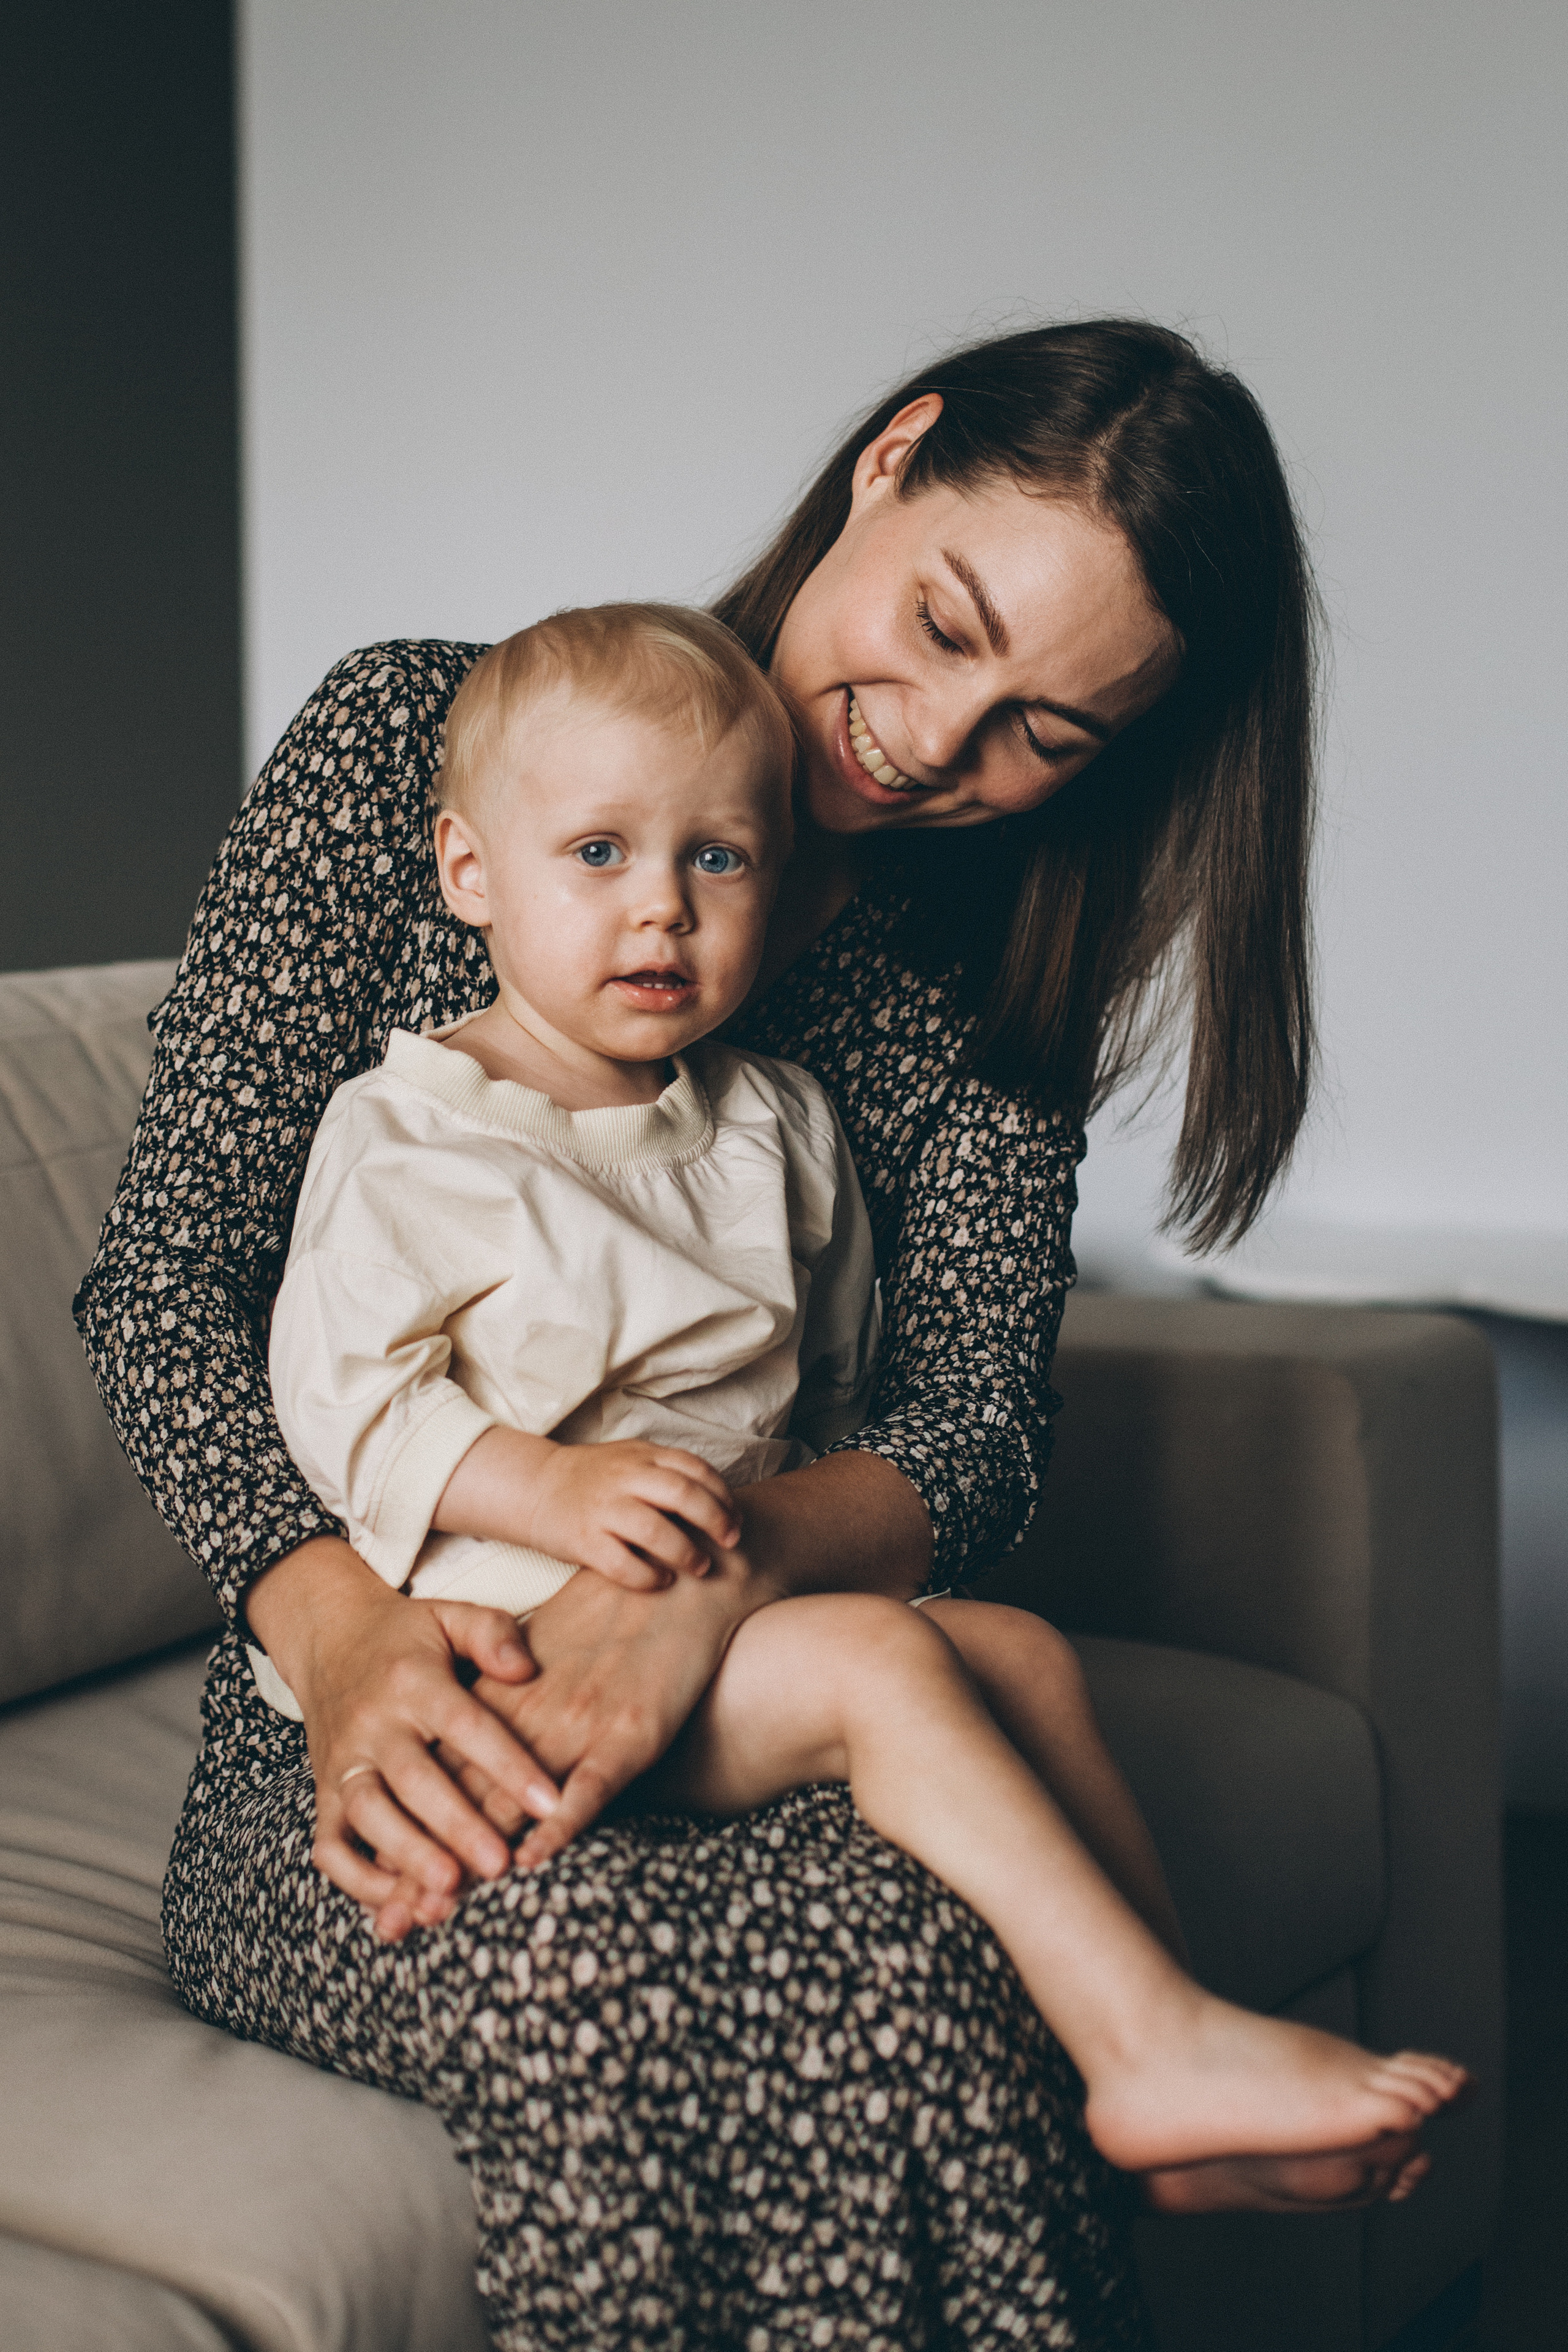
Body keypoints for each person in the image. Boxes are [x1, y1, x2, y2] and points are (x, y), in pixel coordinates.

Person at [78, 321, 1438, 2351]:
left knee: (919, 1958)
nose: (932, 741)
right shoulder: (423, 755)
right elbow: (172, 1272)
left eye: (1043, 733)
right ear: (890, 461)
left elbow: (972, 1431)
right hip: (366, 1686)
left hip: (731, 1677)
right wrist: (344, 1634)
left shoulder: (968, 991)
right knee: (584, 1971)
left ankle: (1170, 2071)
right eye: (940, 624)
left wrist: (718, 1583)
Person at [264, 596, 1468, 2184]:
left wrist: (768, 1529)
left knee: (1024, 1659)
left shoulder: (774, 1129)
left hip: (720, 1602)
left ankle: (1179, 2040)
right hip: (508, 1632)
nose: (664, 915)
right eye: (602, 855)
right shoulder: (415, 1132)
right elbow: (342, 1401)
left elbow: (832, 1403)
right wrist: (543, 1484)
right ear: (470, 874)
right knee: (881, 1674)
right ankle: (1147, 2055)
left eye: (718, 860)